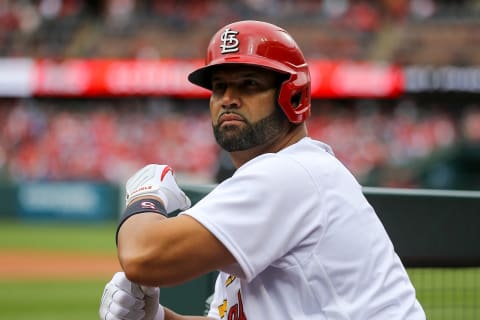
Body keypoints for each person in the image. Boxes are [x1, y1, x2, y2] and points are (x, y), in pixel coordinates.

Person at [99, 20, 426, 319]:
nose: (228, 98)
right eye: (219, 87)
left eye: (249, 84)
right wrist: (157, 318)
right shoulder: (280, 175)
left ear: (293, 95)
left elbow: (143, 256)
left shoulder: (290, 173)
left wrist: (145, 197)